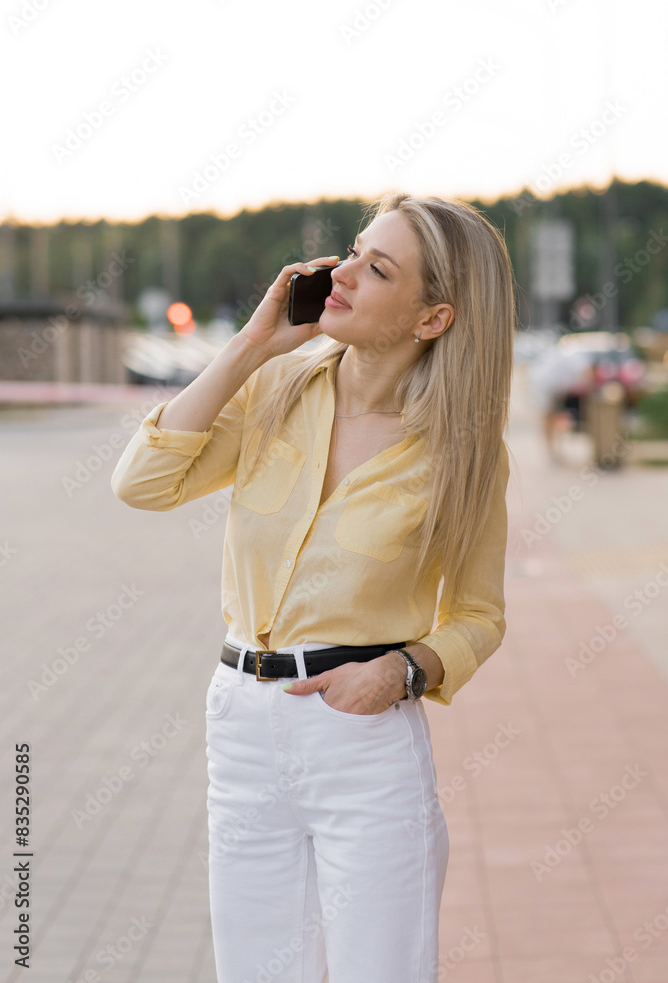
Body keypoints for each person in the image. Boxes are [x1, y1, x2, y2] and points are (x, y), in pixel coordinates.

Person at [110, 192, 517, 983]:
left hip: (363, 738)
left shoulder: (459, 452)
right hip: (241, 727)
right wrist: (250, 348)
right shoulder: (277, 392)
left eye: (379, 268)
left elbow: (479, 615)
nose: (344, 274)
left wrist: (400, 671)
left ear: (432, 318)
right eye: (355, 250)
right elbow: (142, 484)